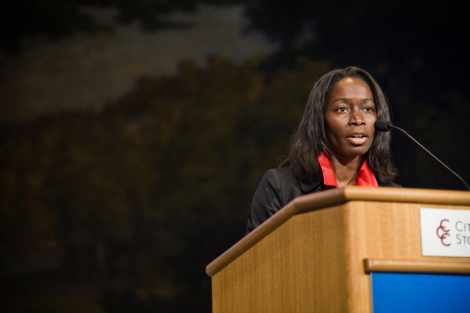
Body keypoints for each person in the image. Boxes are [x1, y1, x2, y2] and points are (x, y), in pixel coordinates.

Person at [246, 66, 397, 232]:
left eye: (367, 109)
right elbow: (259, 257)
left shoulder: (393, 196)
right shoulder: (280, 187)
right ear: (320, 120)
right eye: (342, 109)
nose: (357, 119)